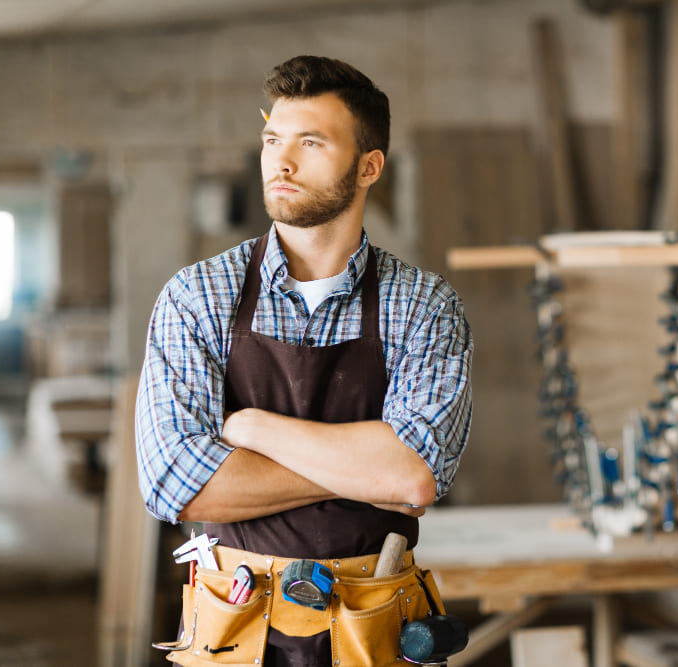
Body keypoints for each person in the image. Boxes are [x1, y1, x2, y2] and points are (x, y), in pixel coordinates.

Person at [135, 55, 473, 666]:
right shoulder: (198, 295)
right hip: (234, 627)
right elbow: (175, 485)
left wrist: (254, 430)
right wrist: (370, 470)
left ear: (369, 166)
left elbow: (414, 475)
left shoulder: (422, 305)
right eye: (272, 140)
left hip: (372, 630)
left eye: (311, 143)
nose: (281, 162)